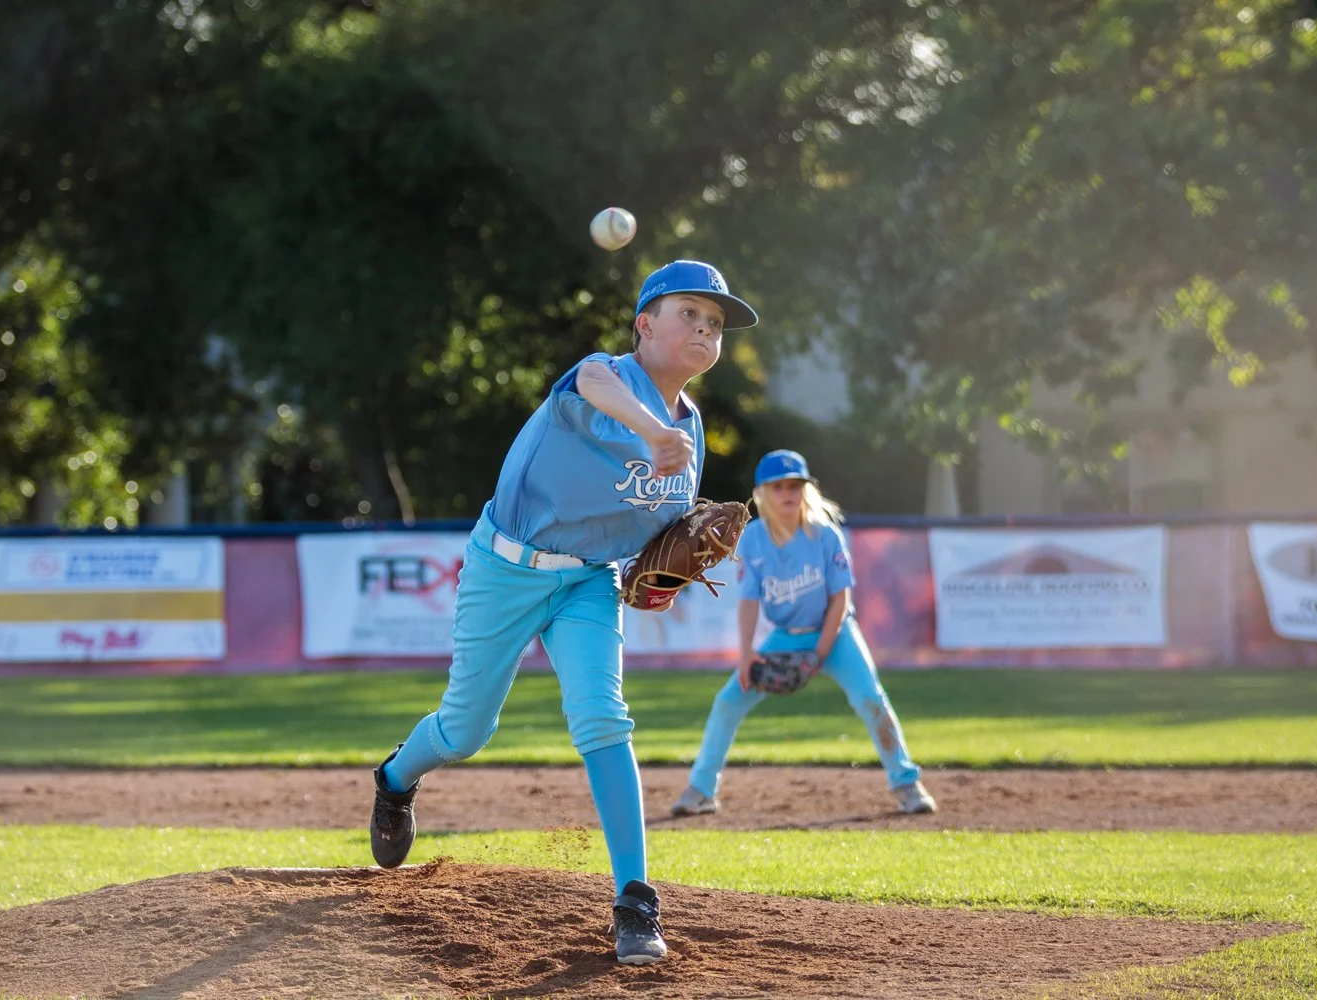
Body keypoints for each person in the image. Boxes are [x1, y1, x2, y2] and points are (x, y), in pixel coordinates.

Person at [368, 259, 758, 966]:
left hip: (588, 582)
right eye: (688, 314)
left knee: (602, 716)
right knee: (466, 728)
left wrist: (663, 574)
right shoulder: (603, 377)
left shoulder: (691, 429)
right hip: (506, 567)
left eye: (715, 323)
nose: (704, 328)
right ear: (645, 324)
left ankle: (636, 900)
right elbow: (593, 385)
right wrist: (651, 430)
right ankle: (395, 780)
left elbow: (655, 535)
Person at [671, 449, 938, 818]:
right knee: (728, 700)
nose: (787, 493)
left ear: (805, 490)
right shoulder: (753, 539)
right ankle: (701, 789)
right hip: (785, 635)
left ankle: (907, 784)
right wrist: (746, 653)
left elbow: (840, 599)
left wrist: (820, 653)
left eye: (794, 485)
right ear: (761, 493)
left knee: (871, 699)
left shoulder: (825, 536)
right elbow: (748, 602)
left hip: (836, 633)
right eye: (778, 486)